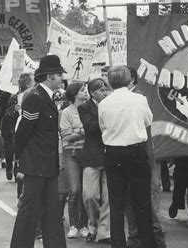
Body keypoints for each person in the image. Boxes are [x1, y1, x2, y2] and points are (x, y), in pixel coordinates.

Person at [10, 55, 67, 248]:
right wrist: (19, 159)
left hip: (47, 165)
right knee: (29, 210)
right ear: (50, 76)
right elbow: (23, 132)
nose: (61, 79)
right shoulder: (35, 97)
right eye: (59, 75)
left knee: (52, 210)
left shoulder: (46, 97)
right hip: (35, 164)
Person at [98, 65, 156, 247]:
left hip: (113, 153)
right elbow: (148, 120)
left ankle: (118, 243)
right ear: (128, 79)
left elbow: (103, 126)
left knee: (116, 204)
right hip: (135, 152)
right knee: (142, 202)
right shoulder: (139, 99)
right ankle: (148, 243)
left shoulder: (103, 103)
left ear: (110, 81)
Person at [126, 66, 167, 248]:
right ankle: (142, 237)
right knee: (139, 200)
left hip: (142, 154)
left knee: (145, 199)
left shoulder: (139, 97)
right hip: (138, 155)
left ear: (131, 80)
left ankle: (146, 238)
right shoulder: (129, 98)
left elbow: (145, 126)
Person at [77, 77, 112, 244]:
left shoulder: (114, 105)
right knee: (90, 195)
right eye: (101, 90)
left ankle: (104, 231)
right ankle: (93, 226)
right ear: (92, 93)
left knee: (108, 196)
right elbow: (90, 127)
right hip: (92, 156)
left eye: (106, 90)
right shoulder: (85, 107)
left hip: (111, 155)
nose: (105, 93)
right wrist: (107, 118)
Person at [60, 82, 90, 239]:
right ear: (74, 94)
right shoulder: (66, 112)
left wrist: (77, 131)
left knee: (86, 191)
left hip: (88, 153)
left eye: (85, 90)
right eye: (82, 90)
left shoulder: (90, 109)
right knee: (74, 189)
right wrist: (84, 131)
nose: (85, 92)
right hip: (71, 153)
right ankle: (73, 224)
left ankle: (84, 224)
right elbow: (66, 137)